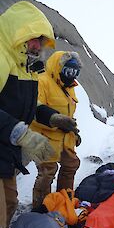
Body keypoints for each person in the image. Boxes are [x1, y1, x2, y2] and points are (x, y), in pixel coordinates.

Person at [0, 1, 58, 228]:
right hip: (6, 144)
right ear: (19, 32)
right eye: (33, 38)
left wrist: (53, 117)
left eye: (41, 41)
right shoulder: (2, 58)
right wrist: (20, 133)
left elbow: (28, 108)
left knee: (11, 204)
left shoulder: (27, 68)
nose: (38, 45)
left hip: (5, 154)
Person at [30, 51, 82, 208]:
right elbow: (33, 110)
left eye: (75, 72)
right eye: (68, 70)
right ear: (58, 67)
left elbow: (69, 113)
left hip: (65, 137)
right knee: (47, 172)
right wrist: (55, 119)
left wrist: (75, 132)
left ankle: (63, 200)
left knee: (71, 164)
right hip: (44, 136)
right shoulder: (42, 81)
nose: (71, 75)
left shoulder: (69, 87)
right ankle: (41, 207)